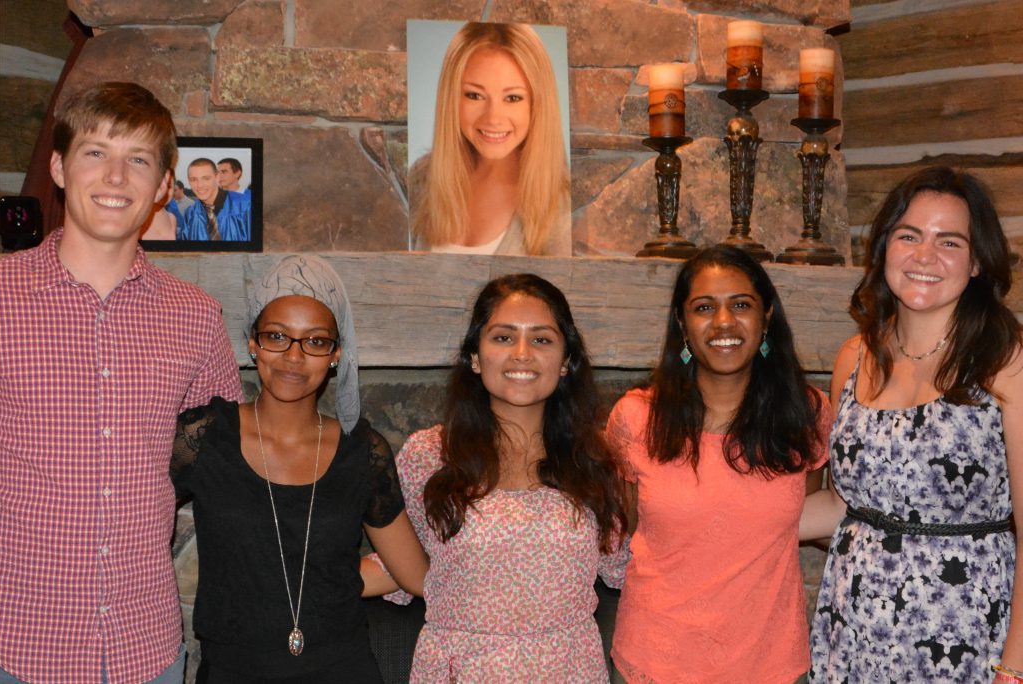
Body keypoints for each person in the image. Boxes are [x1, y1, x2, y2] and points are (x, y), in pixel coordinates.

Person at [0, 81, 242, 683]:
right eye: (95, 152)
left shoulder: (196, 317)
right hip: (16, 645)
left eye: (137, 160)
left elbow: (218, 461)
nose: (115, 177)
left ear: (163, 186)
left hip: (147, 648)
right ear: (57, 166)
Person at [801, 167, 1023, 682]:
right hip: (853, 635)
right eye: (909, 236)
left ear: (976, 264)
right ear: (883, 249)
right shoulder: (854, 358)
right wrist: (728, 517)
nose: (925, 256)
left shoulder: (1005, 363)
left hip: (965, 639)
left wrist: (1013, 667)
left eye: (949, 241)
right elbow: (843, 504)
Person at [172, 255, 428, 682]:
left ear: (335, 353)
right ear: (252, 343)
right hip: (234, 672)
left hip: (341, 668)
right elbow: (125, 523)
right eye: (277, 336)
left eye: (314, 341)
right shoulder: (204, 438)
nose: (293, 356)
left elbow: (413, 574)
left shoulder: (362, 450)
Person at [380, 273, 627, 680]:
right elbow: (417, 564)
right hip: (461, 670)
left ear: (566, 361)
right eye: (503, 337)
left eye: (542, 339)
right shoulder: (429, 456)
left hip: (567, 670)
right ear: (475, 356)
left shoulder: (596, 460)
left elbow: (622, 566)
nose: (522, 354)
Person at [608, 246, 832, 682]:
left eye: (741, 305)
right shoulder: (636, 418)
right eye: (704, 307)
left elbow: (798, 520)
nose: (724, 322)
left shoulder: (805, 414)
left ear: (767, 316)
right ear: (682, 323)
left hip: (771, 665)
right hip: (654, 663)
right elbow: (624, 530)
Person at [410, 22, 571, 256]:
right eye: (474, 95)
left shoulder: (562, 202)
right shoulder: (421, 178)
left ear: (537, 104)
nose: (493, 118)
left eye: (513, 98)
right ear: (451, 99)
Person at [180, 157, 250, 241]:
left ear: (217, 177)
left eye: (206, 178)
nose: (200, 185)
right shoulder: (190, 214)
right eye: (194, 179)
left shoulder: (245, 205)